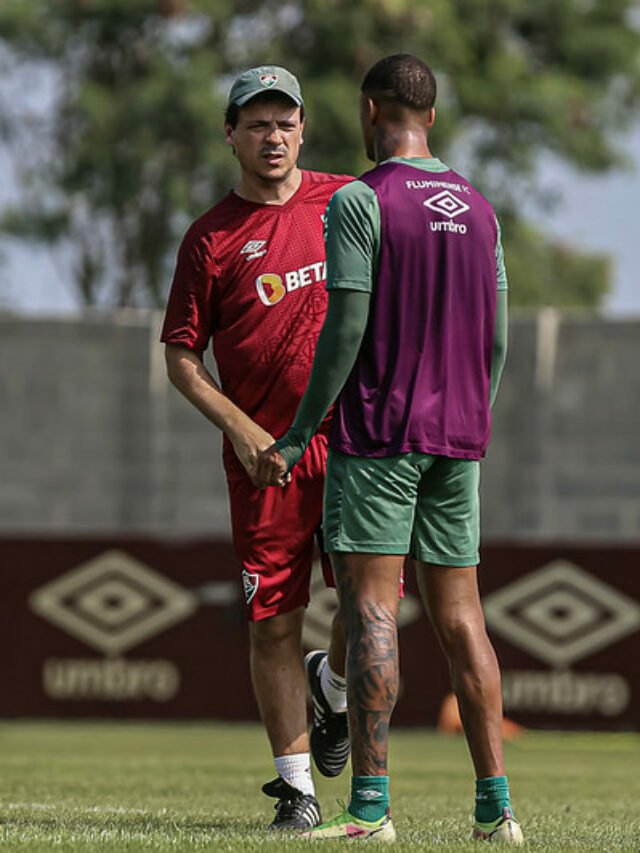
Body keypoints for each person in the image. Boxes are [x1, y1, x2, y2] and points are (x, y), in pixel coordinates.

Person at [255, 54, 523, 844]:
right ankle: (495, 807)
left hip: (378, 433)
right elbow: (498, 339)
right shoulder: (479, 208)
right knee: (464, 618)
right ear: (430, 116)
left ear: (371, 112)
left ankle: (371, 808)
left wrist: (303, 430)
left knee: (372, 609)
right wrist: (474, 412)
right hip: (459, 438)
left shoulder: (360, 201)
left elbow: (345, 328)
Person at [160, 65, 352, 830]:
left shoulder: (347, 202)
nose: (272, 136)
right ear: (231, 135)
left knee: (367, 603)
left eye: (285, 121)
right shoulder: (209, 238)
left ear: (303, 129)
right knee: (275, 620)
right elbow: (179, 355)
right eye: (257, 123)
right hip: (266, 460)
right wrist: (241, 430)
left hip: (352, 447)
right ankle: (298, 790)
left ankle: (333, 687)